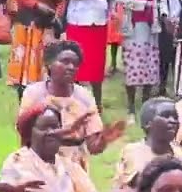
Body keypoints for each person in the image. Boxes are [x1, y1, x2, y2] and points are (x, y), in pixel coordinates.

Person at [18, 40, 125, 172]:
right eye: (65, 61)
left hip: (75, 166)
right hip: (39, 162)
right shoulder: (34, 93)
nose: (71, 67)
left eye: (75, 64)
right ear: (49, 64)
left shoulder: (84, 97)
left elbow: (93, 148)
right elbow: (24, 132)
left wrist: (104, 139)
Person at [116, 0, 171, 114]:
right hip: (133, 23)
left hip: (151, 24)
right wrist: (144, 4)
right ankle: (131, 106)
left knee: (150, 64)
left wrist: (163, 14)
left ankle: (146, 102)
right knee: (133, 64)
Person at [62, 0, 116, 107]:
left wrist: (112, 10)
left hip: (99, 22)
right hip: (78, 22)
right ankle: (74, 102)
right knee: (75, 62)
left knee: (97, 65)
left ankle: (97, 104)